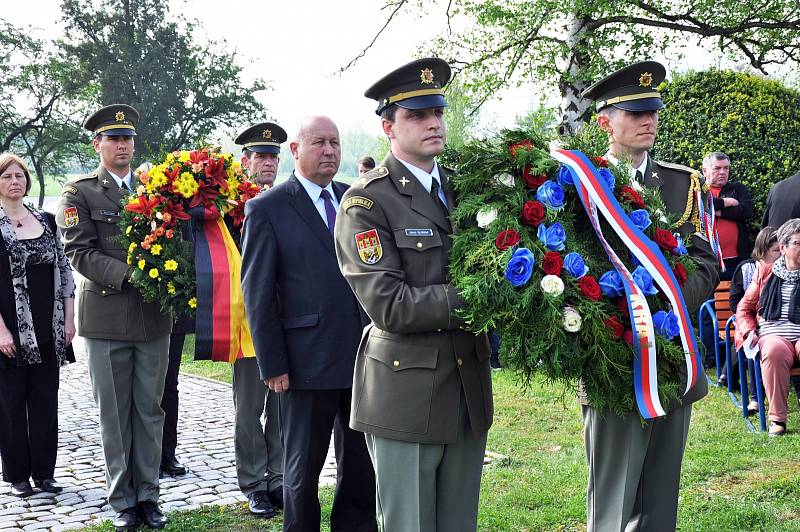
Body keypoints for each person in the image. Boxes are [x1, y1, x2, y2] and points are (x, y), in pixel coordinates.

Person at [334, 58, 494, 531]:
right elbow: (389, 304)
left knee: (458, 523)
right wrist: (482, 295)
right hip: (406, 395)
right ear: (388, 126)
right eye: (417, 116)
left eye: (438, 113)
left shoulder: (466, 190)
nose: (433, 124)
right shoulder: (366, 201)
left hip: (467, 390)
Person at [581, 61, 720, 531]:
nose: (648, 121)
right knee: (613, 497)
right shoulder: (580, 184)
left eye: (652, 111)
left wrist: (666, 298)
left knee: (661, 499)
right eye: (635, 112)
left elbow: (707, 259)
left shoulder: (682, 183)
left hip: (673, 356)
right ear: (605, 121)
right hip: (613, 359)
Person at [240, 115, 377, 531]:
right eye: (319, 143)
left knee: (360, 464)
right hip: (304, 364)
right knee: (302, 471)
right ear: (296, 151)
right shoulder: (267, 208)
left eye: (335, 143)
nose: (330, 151)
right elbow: (257, 294)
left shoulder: (354, 200)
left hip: (361, 358)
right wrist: (273, 364)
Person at [56, 105, 172, 531]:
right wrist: (132, 276)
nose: (122, 145)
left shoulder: (155, 189)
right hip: (106, 318)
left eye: (127, 138)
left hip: (154, 319)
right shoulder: (79, 193)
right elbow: (80, 252)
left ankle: (149, 496)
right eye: (113, 138)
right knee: (114, 414)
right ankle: (123, 498)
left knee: (149, 410)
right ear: (97, 145)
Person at [0, 153, 75, 498]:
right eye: (6, 176)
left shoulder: (46, 220)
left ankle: (45, 473)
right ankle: (17, 475)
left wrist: (70, 320)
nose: (15, 181)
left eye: (19, 176)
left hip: (49, 329)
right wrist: (0, 331)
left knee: (46, 402)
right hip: (9, 333)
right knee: (12, 404)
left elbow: (64, 272)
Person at [230, 122, 287, 518]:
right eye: (259, 155)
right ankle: (254, 483)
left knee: (283, 406)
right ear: (244, 160)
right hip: (247, 322)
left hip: (287, 320)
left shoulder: (287, 200)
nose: (266, 162)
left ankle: (280, 477)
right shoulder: (228, 208)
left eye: (272, 156)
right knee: (249, 408)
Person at [735, 219, 800, 436]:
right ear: (783, 247)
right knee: (773, 350)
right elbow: (744, 309)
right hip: (773, 336)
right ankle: (778, 420)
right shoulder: (765, 273)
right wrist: (748, 331)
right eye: (798, 244)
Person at [727, 226, 779, 413]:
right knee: (753, 345)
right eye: (776, 251)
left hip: (774, 323)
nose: (781, 255)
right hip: (748, 320)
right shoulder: (748, 268)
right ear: (763, 250)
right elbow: (736, 302)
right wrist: (752, 321)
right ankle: (755, 398)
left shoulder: (787, 268)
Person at [702, 152, 754, 279]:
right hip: (707, 262)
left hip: (737, 261)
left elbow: (747, 211)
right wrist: (726, 202)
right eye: (717, 168)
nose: (722, 172)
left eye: (726, 168)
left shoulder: (737, 189)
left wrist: (717, 212)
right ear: (704, 171)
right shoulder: (699, 191)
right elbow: (699, 206)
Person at [238, 122, 286, 191]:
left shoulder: (289, 200)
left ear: (278, 161)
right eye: (261, 156)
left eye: (273, 156)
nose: (269, 163)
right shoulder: (233, 200)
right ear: (245, 162)